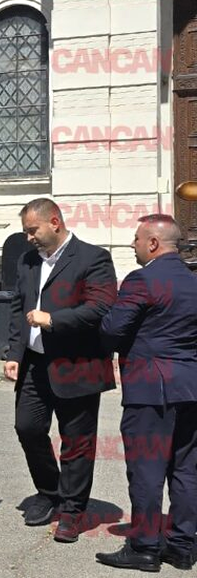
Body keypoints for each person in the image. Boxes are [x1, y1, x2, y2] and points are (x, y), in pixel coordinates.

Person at [5, 197, 117, 543]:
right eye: (26, 232)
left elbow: (101, 307)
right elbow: (18, 306)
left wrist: (52, 319)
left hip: (78, 364)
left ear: (54, 222)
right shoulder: (27, 260)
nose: (28, 238)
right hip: (35, 364)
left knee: (77, 442)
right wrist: (13, 352)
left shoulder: (93, 258)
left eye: (32, 230)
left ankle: (72, 511)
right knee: (27, 427)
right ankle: (49, 491)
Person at [95, 215, 197, 571]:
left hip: (150, 389)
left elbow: (111, 331)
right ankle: (183, 545)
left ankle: (144, 546)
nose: (133, 245)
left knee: (146, 470)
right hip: (190, 387)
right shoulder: (192, 281)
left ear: (153, 243)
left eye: (137, 239)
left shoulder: (142, 280)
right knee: (186, 468)